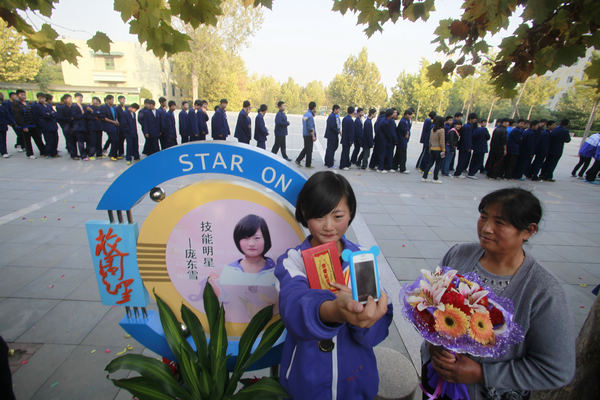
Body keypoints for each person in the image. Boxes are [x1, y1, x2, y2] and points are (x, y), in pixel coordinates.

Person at [422, 188, 575, 399]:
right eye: (483, 217)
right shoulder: (458, 255)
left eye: (500, 223)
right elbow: (430, 309)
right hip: (438, 384)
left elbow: (556, 370)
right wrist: (434, 346)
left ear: (528, 231)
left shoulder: (543, 292)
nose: (486, 228)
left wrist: (482, 374)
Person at [275, 171, 393, 400]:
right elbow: (293, 305)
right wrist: (335, 310)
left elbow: (376, 331)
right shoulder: (293, 260)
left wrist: (366, 322)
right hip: (305, 382)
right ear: (304, 214)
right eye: (319, 216)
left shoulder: (361, 259)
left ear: (350, 214)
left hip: (357, 382)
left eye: (338, 216)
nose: (329, 226)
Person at [218, 214, 278, 323]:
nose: (251, 243)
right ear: (238, 240)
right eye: (245, 238)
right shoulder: (229, 271)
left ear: (266, 239)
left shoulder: (276, 271)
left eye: (257, 238)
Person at [14, 89, 45, 159]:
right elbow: (18, 116)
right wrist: (24, 126)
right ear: (18, 96)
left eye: (24, 95)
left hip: (32, 124)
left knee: (38, 138)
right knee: (27, 140)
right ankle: (30, 154)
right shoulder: (16, 105)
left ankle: (43, 151)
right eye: (22, 95)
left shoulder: (28, 103)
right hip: (25, 125)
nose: (24, 96)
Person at [422, 115, 445, 183]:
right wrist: (443, 150)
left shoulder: (432, 129)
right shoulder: (441, 130)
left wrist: (430, 147)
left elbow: (430, 140)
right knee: (438, 164)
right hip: (438, 149)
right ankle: (435, 178)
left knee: (430, 163)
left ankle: (424, 176)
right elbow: (442, 141)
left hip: (432, 148)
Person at [35, 94, 59, 158]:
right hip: (45, 126)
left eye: (43, 98)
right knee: (49, 140)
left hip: (53, 125)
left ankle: (54, 153)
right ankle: (48, 153)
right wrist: (50, 114)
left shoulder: (48, 105)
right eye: (40, 98)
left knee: (55, 139)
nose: (42, 99)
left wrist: (50, 114)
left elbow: (55, 113)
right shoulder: (37, 106)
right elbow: (44, 115)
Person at [454, 113, 477, 177]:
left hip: (463, 146)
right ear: (471, 119)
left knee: (462, 160)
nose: (475, 121)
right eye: (474, 119)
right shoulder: (468, 127)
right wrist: (468, 147)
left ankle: (458, 172)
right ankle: (458, 173)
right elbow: (467, 138)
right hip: (465, 146)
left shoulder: (467, 126)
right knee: (462, 160)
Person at [99, 95, 120, 161]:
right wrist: (113, 122)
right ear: (107, 100)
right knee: (115, 139)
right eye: (112, 100)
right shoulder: (103, 107)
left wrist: (116, 120)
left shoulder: (113, 108)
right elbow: (104, 118)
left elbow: (115, 116)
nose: (113, 101)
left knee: (114, 139)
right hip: (108, 125)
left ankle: (110, 152)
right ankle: (112, 155)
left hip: (114, 125)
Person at [296, 101, 316, 168]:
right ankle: (308, 164)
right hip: (309, 134)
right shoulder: (310, 116)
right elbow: (310, 127)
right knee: (309, 150)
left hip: (304, 133)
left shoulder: (305, 114)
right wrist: (313, 136)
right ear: (313, 108)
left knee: (306, 148)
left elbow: (305, 123)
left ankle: (298, 160)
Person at [56, 94, 75, 159]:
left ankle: (71, 149)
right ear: (65, 100)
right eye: (69, 99)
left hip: (72, 125)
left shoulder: (72, 106)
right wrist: (69, 119)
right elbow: (59, 118)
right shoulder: (61, 107)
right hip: (66, 125)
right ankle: (72, 152)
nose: (71, 100)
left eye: (71, 99)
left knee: (72, 139)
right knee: (69, 138)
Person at [71, 93, 89, 160]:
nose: (80, 99)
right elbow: (74, 116)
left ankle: (86, 153)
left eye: (81, 97)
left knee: (88, 141)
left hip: (85, 126)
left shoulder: (84, 106)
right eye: (78, 97)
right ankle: (83, 155)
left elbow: (87, 115)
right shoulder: (74, 106)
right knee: (80, 142)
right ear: (75, 98)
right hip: (78, 127)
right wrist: (82, 114)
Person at [0, 93, 15, 158]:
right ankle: (3, 152)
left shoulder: (3, 106)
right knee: (1, 139)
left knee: (3, 139)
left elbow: (7, 115)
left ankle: (4, 151)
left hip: (3, 125)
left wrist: (12, 122)